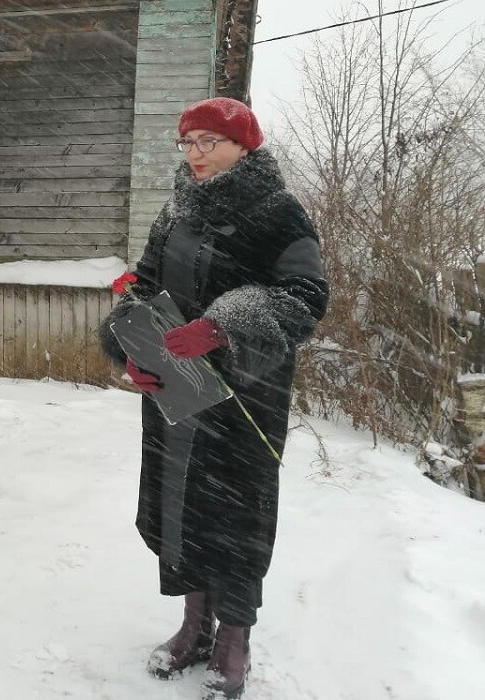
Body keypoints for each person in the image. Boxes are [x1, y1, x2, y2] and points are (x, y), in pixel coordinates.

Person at [98, 97, 328, 699]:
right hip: (177, 392)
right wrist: (130, 350)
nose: (196, 155)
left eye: (209, 142)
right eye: (188, 143)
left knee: (237, 517)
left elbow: (305, 297)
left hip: (244, 398)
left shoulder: (279, 213)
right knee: (179, 507)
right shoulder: (177, 210)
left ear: (243, 145)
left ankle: (234, 641)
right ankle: (194, 627)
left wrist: (224, 325)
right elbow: (142, 284)